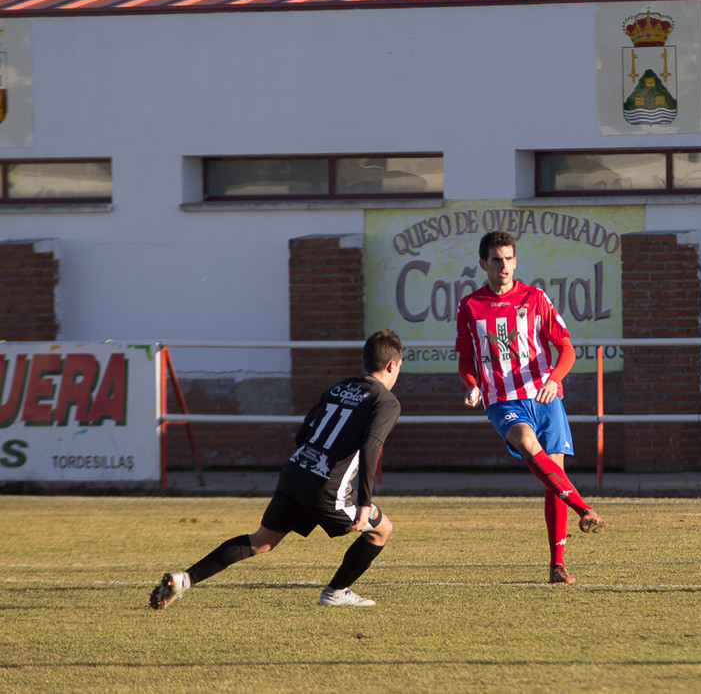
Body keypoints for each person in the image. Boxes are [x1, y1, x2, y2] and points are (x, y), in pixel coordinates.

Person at [150, 329, 404, 610]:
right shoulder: (386, 401)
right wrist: (365, 503)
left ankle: (184, 579)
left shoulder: (337, 388)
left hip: (295, 473)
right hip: (327, 487)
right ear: (392, 365)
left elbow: (304, 431)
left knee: (261, 542)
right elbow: (371, 446)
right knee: (381, 530)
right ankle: (336, 592)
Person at [456, 230, 605, 585]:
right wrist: (472, 386)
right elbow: (465, 358)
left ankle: (557, 565)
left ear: (515, 261)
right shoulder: (470, 306)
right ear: (483, 264)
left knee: (552, 475)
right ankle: (583, 507)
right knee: (525, 441)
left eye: (509, 258)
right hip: (502, 400)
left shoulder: (535, 297)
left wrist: (554, 379)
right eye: (496, 259)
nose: (503, 265)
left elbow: (567, 349)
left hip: (544, 397)